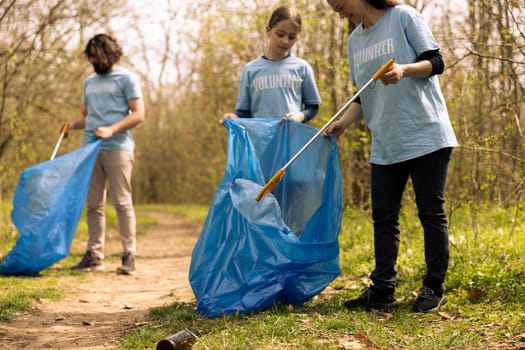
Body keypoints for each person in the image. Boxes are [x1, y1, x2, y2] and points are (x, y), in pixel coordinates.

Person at [324, 0, 458, 313]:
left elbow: (436, 62)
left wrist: (403, 69)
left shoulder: (404, 17)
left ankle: (433, 288)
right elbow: (363, 94)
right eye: (335, 10)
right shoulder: (354, 41)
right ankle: (382, 290)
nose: (341, 13)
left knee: (430, 212)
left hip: (426, 133)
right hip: (385, 141)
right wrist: (343, 122)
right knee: (383, 218)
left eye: (340, 6)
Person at [64, 33, 145, 275]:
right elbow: (87, 116)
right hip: (89, 149)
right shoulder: (89, 82)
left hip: (118, 148)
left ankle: (129, 255)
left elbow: (139, 114)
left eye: (99, 57)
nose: (95, 61)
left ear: (111, 54)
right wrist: (70, 125)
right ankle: (94, 254)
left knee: (122, 202)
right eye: (92, 58)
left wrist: (112, 129)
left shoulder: (127, 78)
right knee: (94, 205)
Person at [219, 5, 322, 125]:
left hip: (293, 140)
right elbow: (244, 114)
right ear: (268, 30)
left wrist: (300, 116)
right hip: (260, 141)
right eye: (280, 34)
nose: (285, 41)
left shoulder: (302, 68)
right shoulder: (250, 70)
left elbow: (313, 107)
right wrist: (233, 117)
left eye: (291, 37)